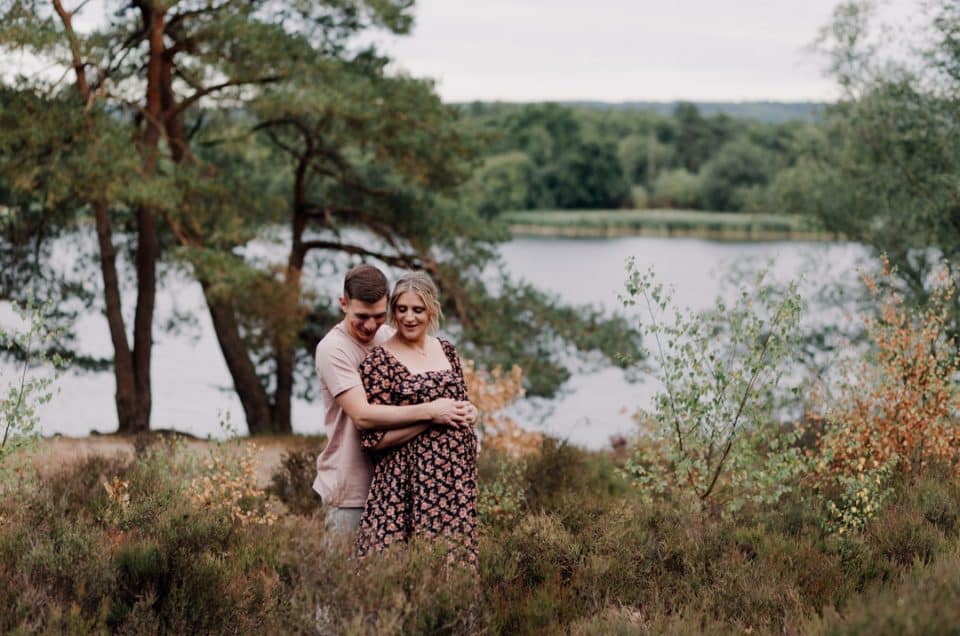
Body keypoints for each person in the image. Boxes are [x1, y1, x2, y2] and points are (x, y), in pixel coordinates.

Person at [312, 264, 475, 538]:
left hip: (398, 485)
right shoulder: (334, 349)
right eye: (361, 316)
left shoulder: (388, 336)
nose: (371, 325)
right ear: (343, 304)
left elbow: (433, 384)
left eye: (378, 316)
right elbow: (363, 415)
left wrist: (463, 412)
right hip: (351, 488)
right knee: (343, 577)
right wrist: (432, 412)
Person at [355, 271, 479, 566]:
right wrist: (432, 417)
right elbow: (373, 440)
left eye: (418, 310)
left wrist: (471, 413)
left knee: (454, 571)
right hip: (406, 487)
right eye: (402, 309)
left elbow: (458, 405)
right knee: (403, 575)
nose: (409, 318)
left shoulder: (447, 349)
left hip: (456, 484)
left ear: (431, 310)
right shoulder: (379, 362)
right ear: (393, 311)